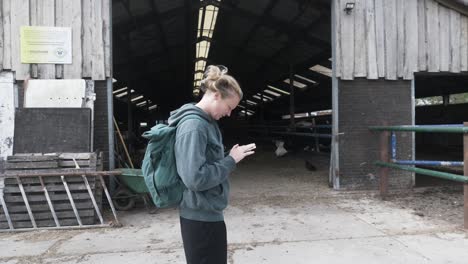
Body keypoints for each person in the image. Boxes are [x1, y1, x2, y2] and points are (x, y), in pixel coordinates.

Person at [168, 65, 255, 264]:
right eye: (229, 107)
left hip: (207, 213)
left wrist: (230, 156)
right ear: (216, 95)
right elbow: (194, 179)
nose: (229, 113)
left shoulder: (206, 123)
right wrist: (230, 160)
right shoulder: (194, 126)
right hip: (200, 219)